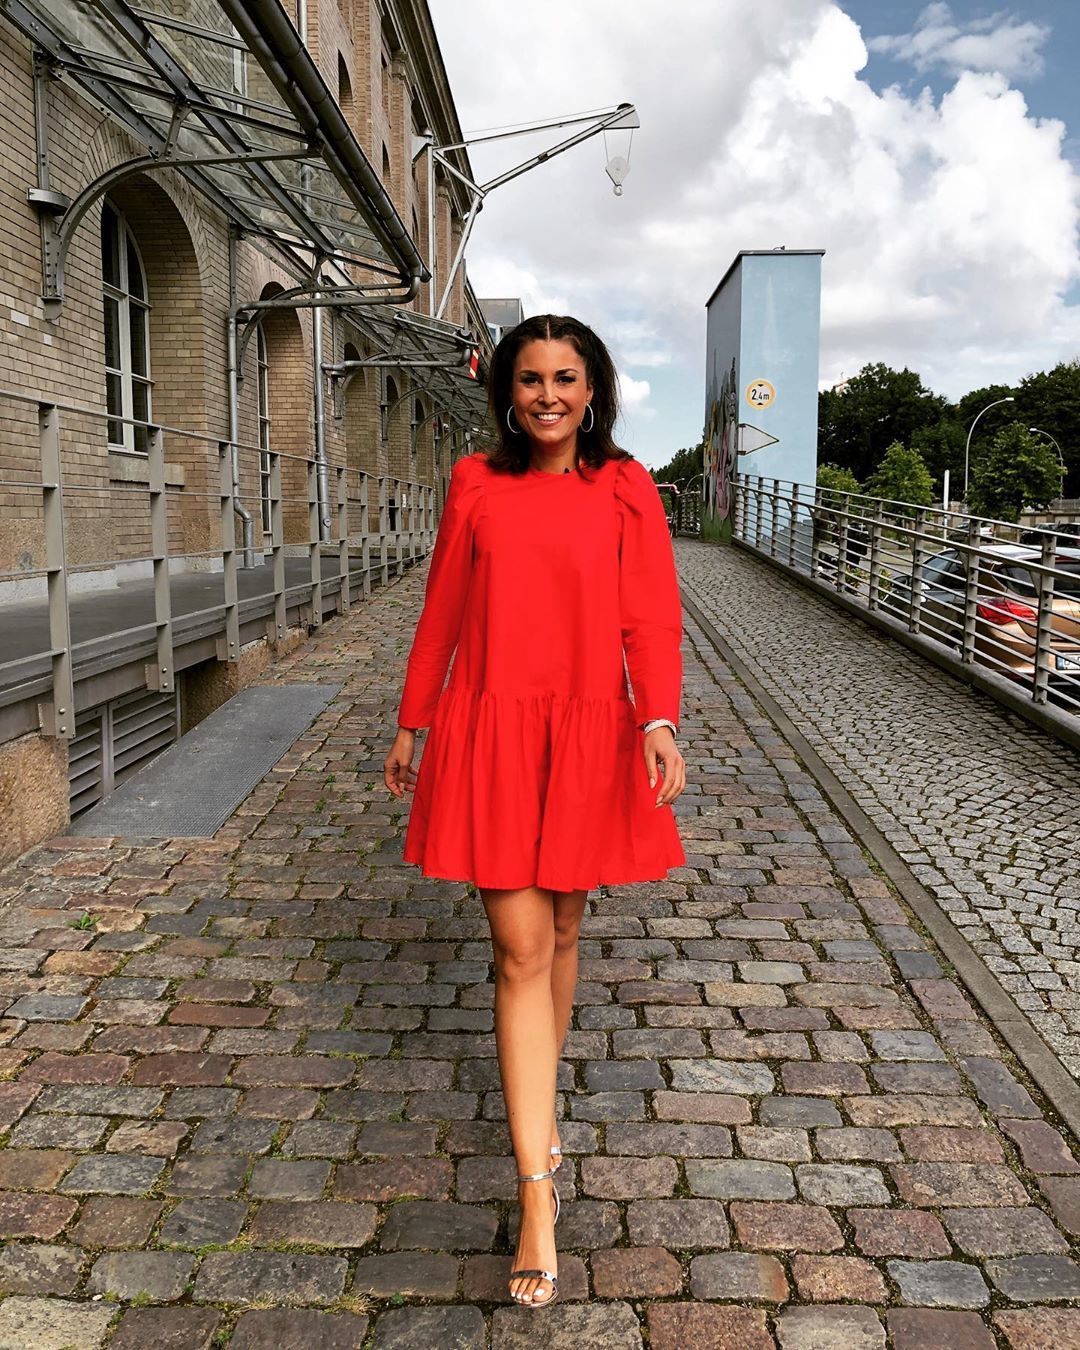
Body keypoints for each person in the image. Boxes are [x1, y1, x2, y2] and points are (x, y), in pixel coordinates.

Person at [383, 314, 687, 1310]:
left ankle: (539, 1112)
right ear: (507, 392)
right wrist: (413, 721)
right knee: (520, 947)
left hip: (589, 731)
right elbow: (441, 607)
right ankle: (536, 1196)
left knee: (561, 931)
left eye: (565, 377)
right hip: (492, 728)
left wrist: (657, 720)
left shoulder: (627, 486)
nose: (547, 395)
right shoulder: (474, 481)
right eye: (530, 379)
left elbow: (650, 615)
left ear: (592, 389)